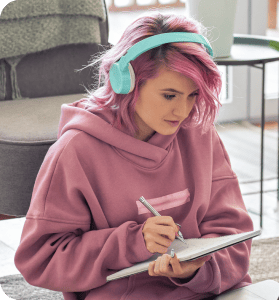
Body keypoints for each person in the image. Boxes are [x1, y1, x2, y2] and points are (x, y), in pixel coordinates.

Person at [14, 12, 254, 300]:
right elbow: (42, 260)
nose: (183, 111)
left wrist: (194, 271)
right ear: (125, 81)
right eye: (169, 95)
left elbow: (234, 236)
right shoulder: (75, 151)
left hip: (208, 289)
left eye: (192, 96)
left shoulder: (200, 133)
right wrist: (132, 242)